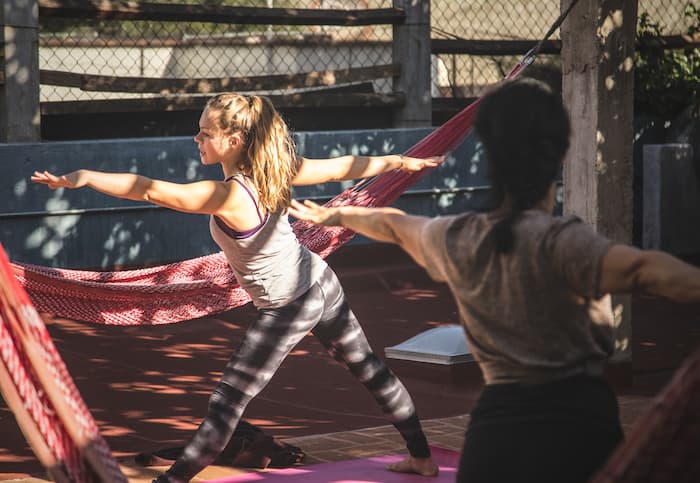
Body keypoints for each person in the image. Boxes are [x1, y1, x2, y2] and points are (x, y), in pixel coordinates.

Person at [289, 78, 700, 483]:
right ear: (562, 153)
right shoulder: (568, 244)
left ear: (490, 155)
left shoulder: (459, 237)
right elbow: (646, 270)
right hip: (579, 428)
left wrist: (337, 214)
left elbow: (393, 225)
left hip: (495, 435)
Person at [31, 92, 443, 482]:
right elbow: (342, 167)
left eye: (204, 133)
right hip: (320, 282)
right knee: (370, 370)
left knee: (227, 402)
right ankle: (421, 458)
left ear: (233, 141)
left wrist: (87, 177)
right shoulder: (277, 169)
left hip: (291, 302)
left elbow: (151, 189)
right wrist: (399, 161)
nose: (196, 139)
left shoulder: (230, 196)